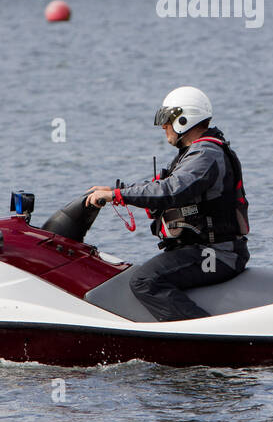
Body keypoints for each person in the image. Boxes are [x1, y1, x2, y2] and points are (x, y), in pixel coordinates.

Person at [85, 86, 250, 321]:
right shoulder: (194, 152)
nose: (164, 127)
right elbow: (162, 185)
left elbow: (171, 190)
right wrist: (115, 191)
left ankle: (200, 338)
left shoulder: (206, 154)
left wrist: (118, 196)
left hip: (218, 255)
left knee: (145, 281)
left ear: (184, 119)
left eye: (167, 120)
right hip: (204, 250)